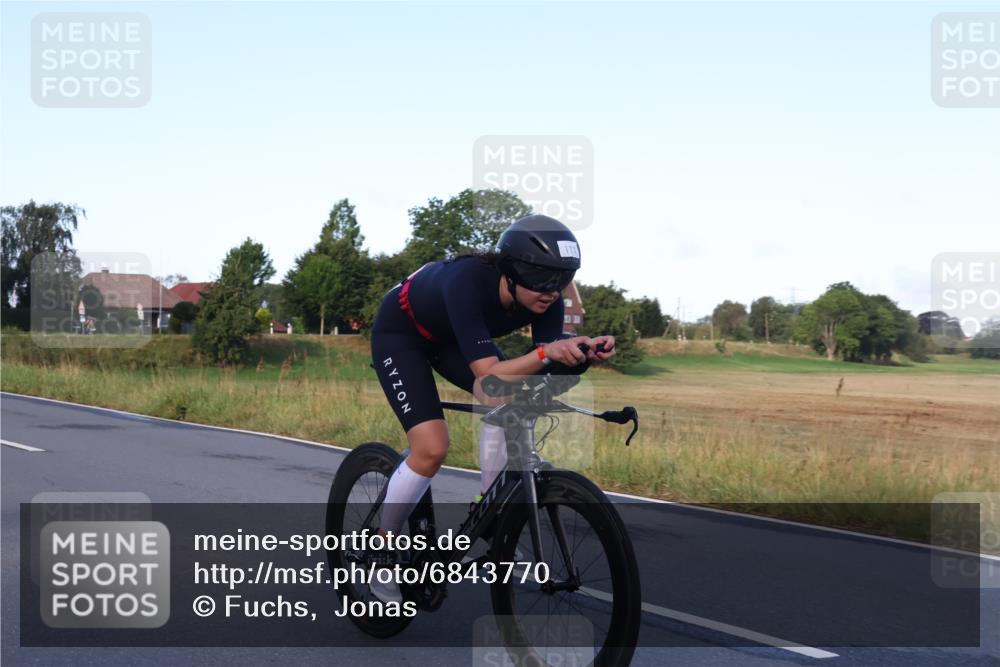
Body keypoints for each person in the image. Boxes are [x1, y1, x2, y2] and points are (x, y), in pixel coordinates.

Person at [367, 214, 616, 602]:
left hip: (451, 338)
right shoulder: (466, 281)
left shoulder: (545, 297)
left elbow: (542, 366)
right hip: (402, 336)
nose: (552, 291)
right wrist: (547, 351)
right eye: (542, 278)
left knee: (513, 402)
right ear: (511, 271)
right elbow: (489, 379)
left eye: (562, 279)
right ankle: (383, 549)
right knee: (431, 448)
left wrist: (578, 354)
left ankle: (490, 520)